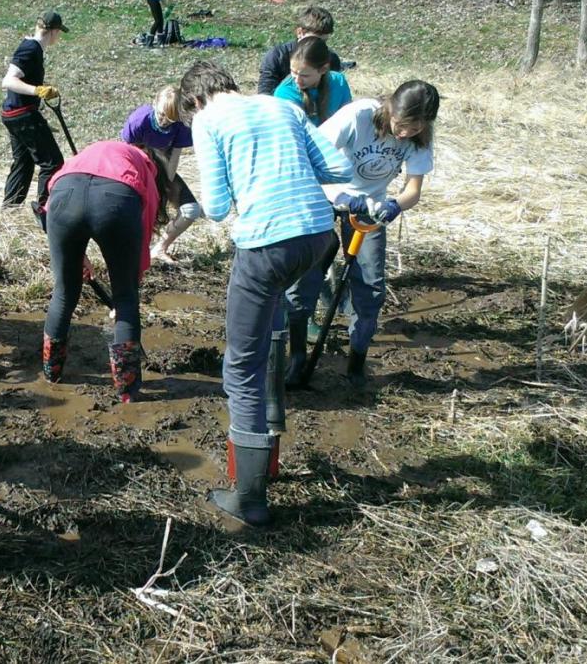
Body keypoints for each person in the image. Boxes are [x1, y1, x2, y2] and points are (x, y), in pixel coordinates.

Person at [179, 60, 353, 527]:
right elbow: (337, 165)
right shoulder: (282, 106)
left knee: (240, 365)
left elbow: (216, 207)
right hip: (318, 236)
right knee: (271, 322)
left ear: (195, 100)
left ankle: (251, 498)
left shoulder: (208, 120)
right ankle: (271, 428)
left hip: (267, 244)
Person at [285, 81, 439, 389]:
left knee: (369, 288)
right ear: (390, 109)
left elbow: (413, 190)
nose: (405, 134)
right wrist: (339, 194)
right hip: (324, 199)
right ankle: (296, 358)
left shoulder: (419, 139)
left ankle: (356, 365)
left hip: (370, 211)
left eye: (414, 128)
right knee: (305, 279)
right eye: (401, 125)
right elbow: (310, 157)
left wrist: (395, 205)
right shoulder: (359, 116)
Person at [42, 141, 171, 402]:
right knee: (125, 299)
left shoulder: (93, 151)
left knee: (64, 293)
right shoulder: (145, 166)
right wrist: (132, 277)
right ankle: (127, 391)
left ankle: (51, 375)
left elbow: (54, 198)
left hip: (62, 196)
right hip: (116, 199)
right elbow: (145, 230)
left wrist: (77, 255)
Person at [121, 86, 200, 264]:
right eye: (162, 114)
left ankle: (159, 248)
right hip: (138, 168)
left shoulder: (181, 125)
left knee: (191, 210)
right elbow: (125, 153)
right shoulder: (139, 120)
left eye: (171, 119)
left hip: (163, 169)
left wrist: (164, 189)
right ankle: (131, 251)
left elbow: (175, 157)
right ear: (155, 102)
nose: (164, 121)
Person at [0, 11, 68, 209]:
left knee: (24, 162)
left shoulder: (31, 47)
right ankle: (45, 209)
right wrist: (37, 90)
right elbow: (9, 80)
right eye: (59, 33)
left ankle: (10, 209)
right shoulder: (31, 48)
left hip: (12, 114)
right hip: (23, 115)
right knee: (52, 162)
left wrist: (40, 88)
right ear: (53, 32)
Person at [257, 6, 344, 96]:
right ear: (299, 32)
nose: (318, 45)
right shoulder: (277, 56)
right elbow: (265, 95)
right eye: (312, 39)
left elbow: (333, 93)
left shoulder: (330, 59)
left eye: (323, 41)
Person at [272, 36, 353, 126]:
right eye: (293, 72)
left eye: (304, 75)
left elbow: (348, 119)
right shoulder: (285, 93)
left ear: (323, 69)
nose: (297, 80)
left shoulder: (339, 82)